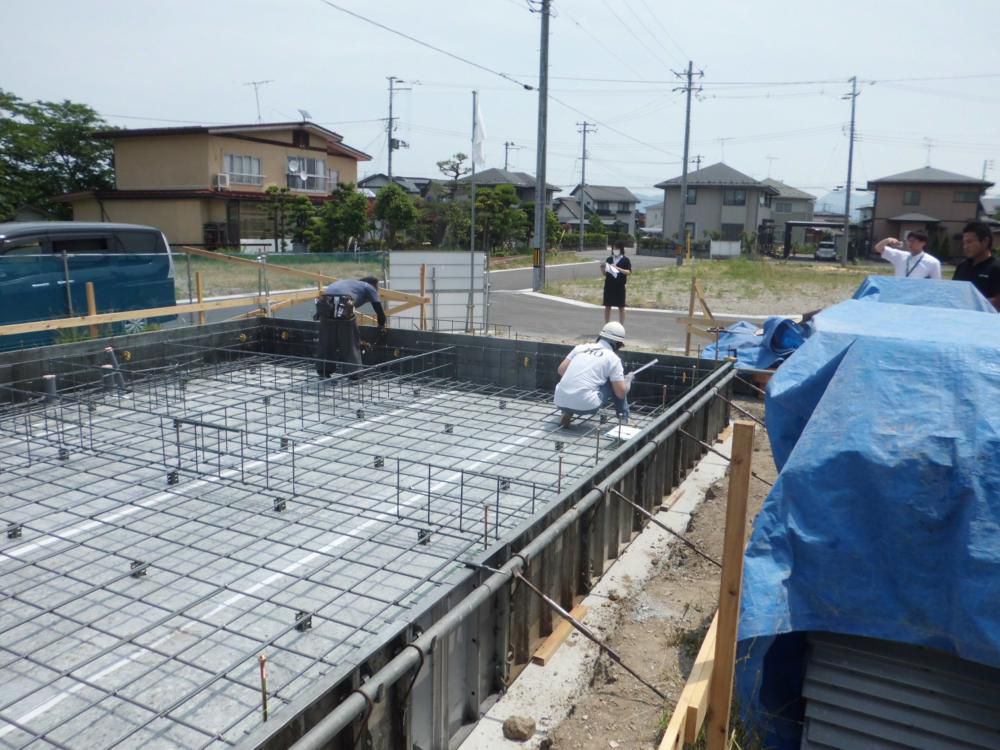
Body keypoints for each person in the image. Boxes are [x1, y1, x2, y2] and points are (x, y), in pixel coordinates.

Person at [554, 322, 631, 427]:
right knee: (614, 382)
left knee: (577, 380)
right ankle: (623, 418)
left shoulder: (579, 348)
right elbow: (620, 393)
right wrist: (627, 381)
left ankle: (566, 413)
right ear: (618, 344)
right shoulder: (613, 359)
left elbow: (561, 370)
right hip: (586, 406)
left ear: (600, 337)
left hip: (559, 402)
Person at [314, 276, 386, 377]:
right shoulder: (369, 287)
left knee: (326, 341)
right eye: (377, 288)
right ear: (374, 285)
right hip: (343, 302)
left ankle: (323, 370)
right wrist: (381, 325)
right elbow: (379, 310)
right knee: (350, 343)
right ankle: (355, 374)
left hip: (324, 303)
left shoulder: (349, 283)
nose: (377, 291)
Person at [953, 222, 1000, 310]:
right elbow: (954, 293)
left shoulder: (996, 268)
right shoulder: (962, 266)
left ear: (985, 241)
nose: (965, 246)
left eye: (969, 242)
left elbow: (998, 302)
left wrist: (974, 304)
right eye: (964, 243)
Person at [873, 230, 941, 279]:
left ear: (923, 243)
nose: (909, 243)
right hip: (898, 293)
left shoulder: (933, 262)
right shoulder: (900, 255)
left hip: (917, 296)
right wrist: (888, 240)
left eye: (913, 241)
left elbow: (935, 283)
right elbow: (878, 248)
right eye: (908, 240)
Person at [600, 241, 632, 324]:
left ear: (621, 249)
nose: (615, 250)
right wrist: (602, 269)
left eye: (617, 248)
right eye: (614, 248)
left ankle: (621, 325)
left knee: (621, 306)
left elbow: (628, 272)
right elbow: (605, 274)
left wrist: (618, 268)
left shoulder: (625, 260)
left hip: (620, 286)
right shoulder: (609, 259)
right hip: (609, 285)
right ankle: (606, 324)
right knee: (607, 306)